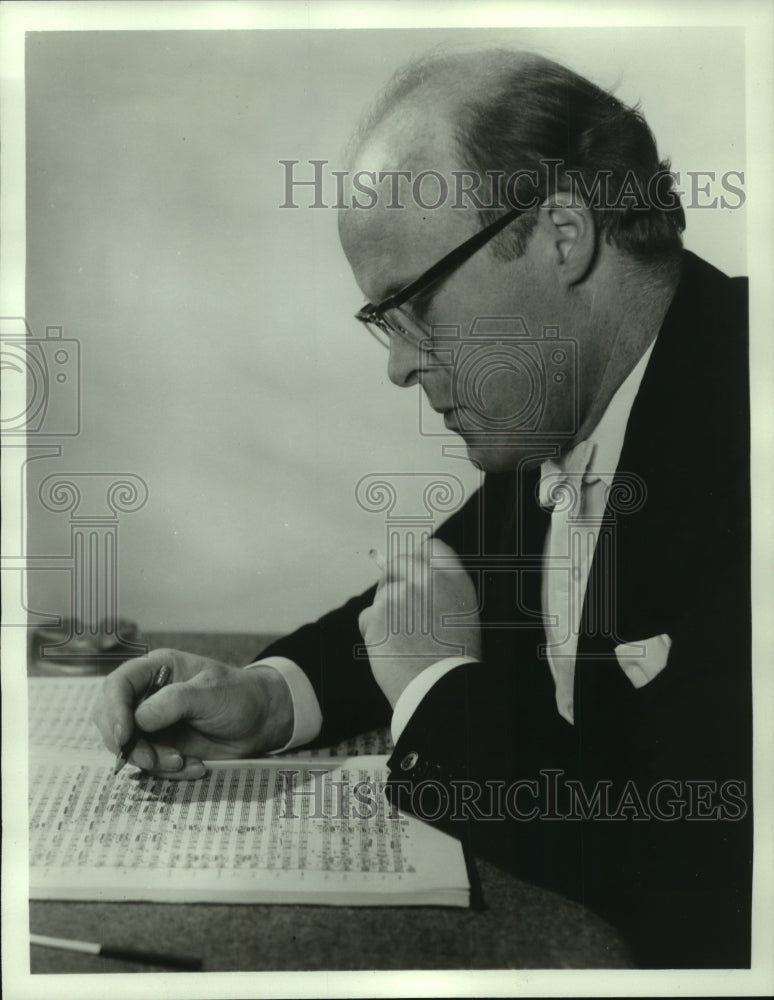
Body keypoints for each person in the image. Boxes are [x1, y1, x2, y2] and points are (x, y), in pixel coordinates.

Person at [93, 49, 751, 968]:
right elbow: (436, 593)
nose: (400, 366)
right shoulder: (565, 411)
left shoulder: (745, 431)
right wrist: (272, 697)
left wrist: (440, 692)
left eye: (410, 304)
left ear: (564, 234)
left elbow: (706, 872)